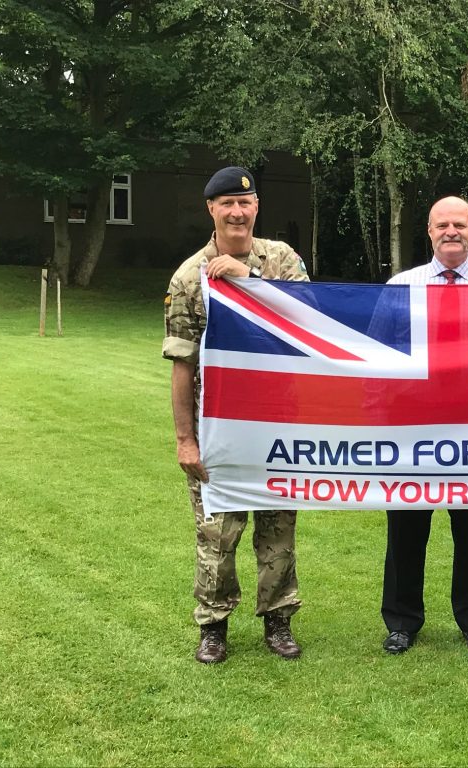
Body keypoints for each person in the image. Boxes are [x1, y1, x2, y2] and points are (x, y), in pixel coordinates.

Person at [163, 166, 310, 664]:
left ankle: (279, 620)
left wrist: (251, 283)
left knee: (278, 528)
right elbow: (182, 362)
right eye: (226, 203)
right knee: (216, 534)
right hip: (217, 428)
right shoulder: (189, 276)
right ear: (212, 210)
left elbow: (309, 323)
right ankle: (214, 625)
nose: (237, 212)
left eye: (244, 203)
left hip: (276, 425)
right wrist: (186, 440)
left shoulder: (282, 261)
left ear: (256, 208)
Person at [380, 196, 468, 656]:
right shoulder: (400, 287)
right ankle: (401, 622)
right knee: (405, 532)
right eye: (442, 225)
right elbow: (376, 358)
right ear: (428, 231)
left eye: (460, 225)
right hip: (410, 433)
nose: (451, 231)